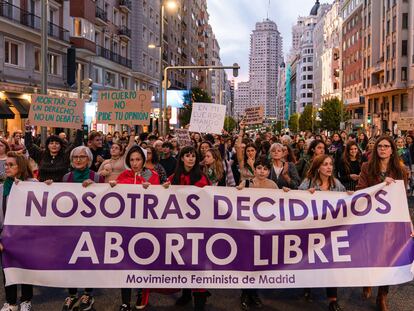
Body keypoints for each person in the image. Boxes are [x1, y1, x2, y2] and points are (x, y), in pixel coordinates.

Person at [357, 136, 408, 311]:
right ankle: (368, 281)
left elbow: (403, 199)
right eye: (380, 146)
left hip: (390, 222)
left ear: (392, 150)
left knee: (387, 259)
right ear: (375, 149)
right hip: (370, 220)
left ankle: (382, 296)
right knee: (370, 256)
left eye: (386, 146)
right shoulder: (366, 167)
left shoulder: (401, 171)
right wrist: (381, 184)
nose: (383, 149)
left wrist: (409, 223)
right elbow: (360, 190)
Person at [109, 146, 159, 311]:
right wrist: (112, 186)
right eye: (132, 160)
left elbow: (160, 198)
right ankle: (125, 301)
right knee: (126, 264)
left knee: (143, 262)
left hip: (146, 226)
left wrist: (151, 189)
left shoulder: (153, 176)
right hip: (126, 227)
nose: (135, 163)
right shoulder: (123, 176)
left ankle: (141, 293)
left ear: (143, 160)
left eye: (138, 159)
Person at [163, 146, 211, 311]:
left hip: (198, 228)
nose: (191, 159)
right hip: (179, 228)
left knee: (197, 264)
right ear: (182, 158)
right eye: (187, 156)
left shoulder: (202, 178)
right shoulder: (173, 177)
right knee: (182, 261)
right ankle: (185, 293)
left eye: (193, 156)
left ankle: (200, 301)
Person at [298, 154, 346, 311]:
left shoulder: (336, 184)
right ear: (318, 167)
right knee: (310, 260)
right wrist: (305, 196)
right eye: (325, 164)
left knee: (330, 263)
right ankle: (307, 287)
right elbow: (296, 202)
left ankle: (333, 300)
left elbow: (345, 202)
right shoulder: (307, 183)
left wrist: (350, 197)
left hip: (330, 231)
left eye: (331, 164)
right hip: (311, 230)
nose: (329, 167)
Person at [60, 146, 104, 311]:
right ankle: (72, 294)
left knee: (87, 260)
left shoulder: (97, 177)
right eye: (75, 157)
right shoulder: (66, 178)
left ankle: (87, 293)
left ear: (89, 160)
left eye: (82, 157)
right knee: (71, 259)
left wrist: (96, 187)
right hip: (71, 226)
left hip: (91, 227)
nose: (78, 160)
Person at [0, 152, 37, 311]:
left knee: (25, 268)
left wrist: (49, 186)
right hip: (6, 235)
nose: (6, 167)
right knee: (8, 269)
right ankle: (11, 302)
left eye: (11, 165)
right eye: (6, 165)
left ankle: (26, 300)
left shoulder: (33, 185)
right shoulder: (2, 188)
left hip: (26, 236)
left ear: (20, 167)